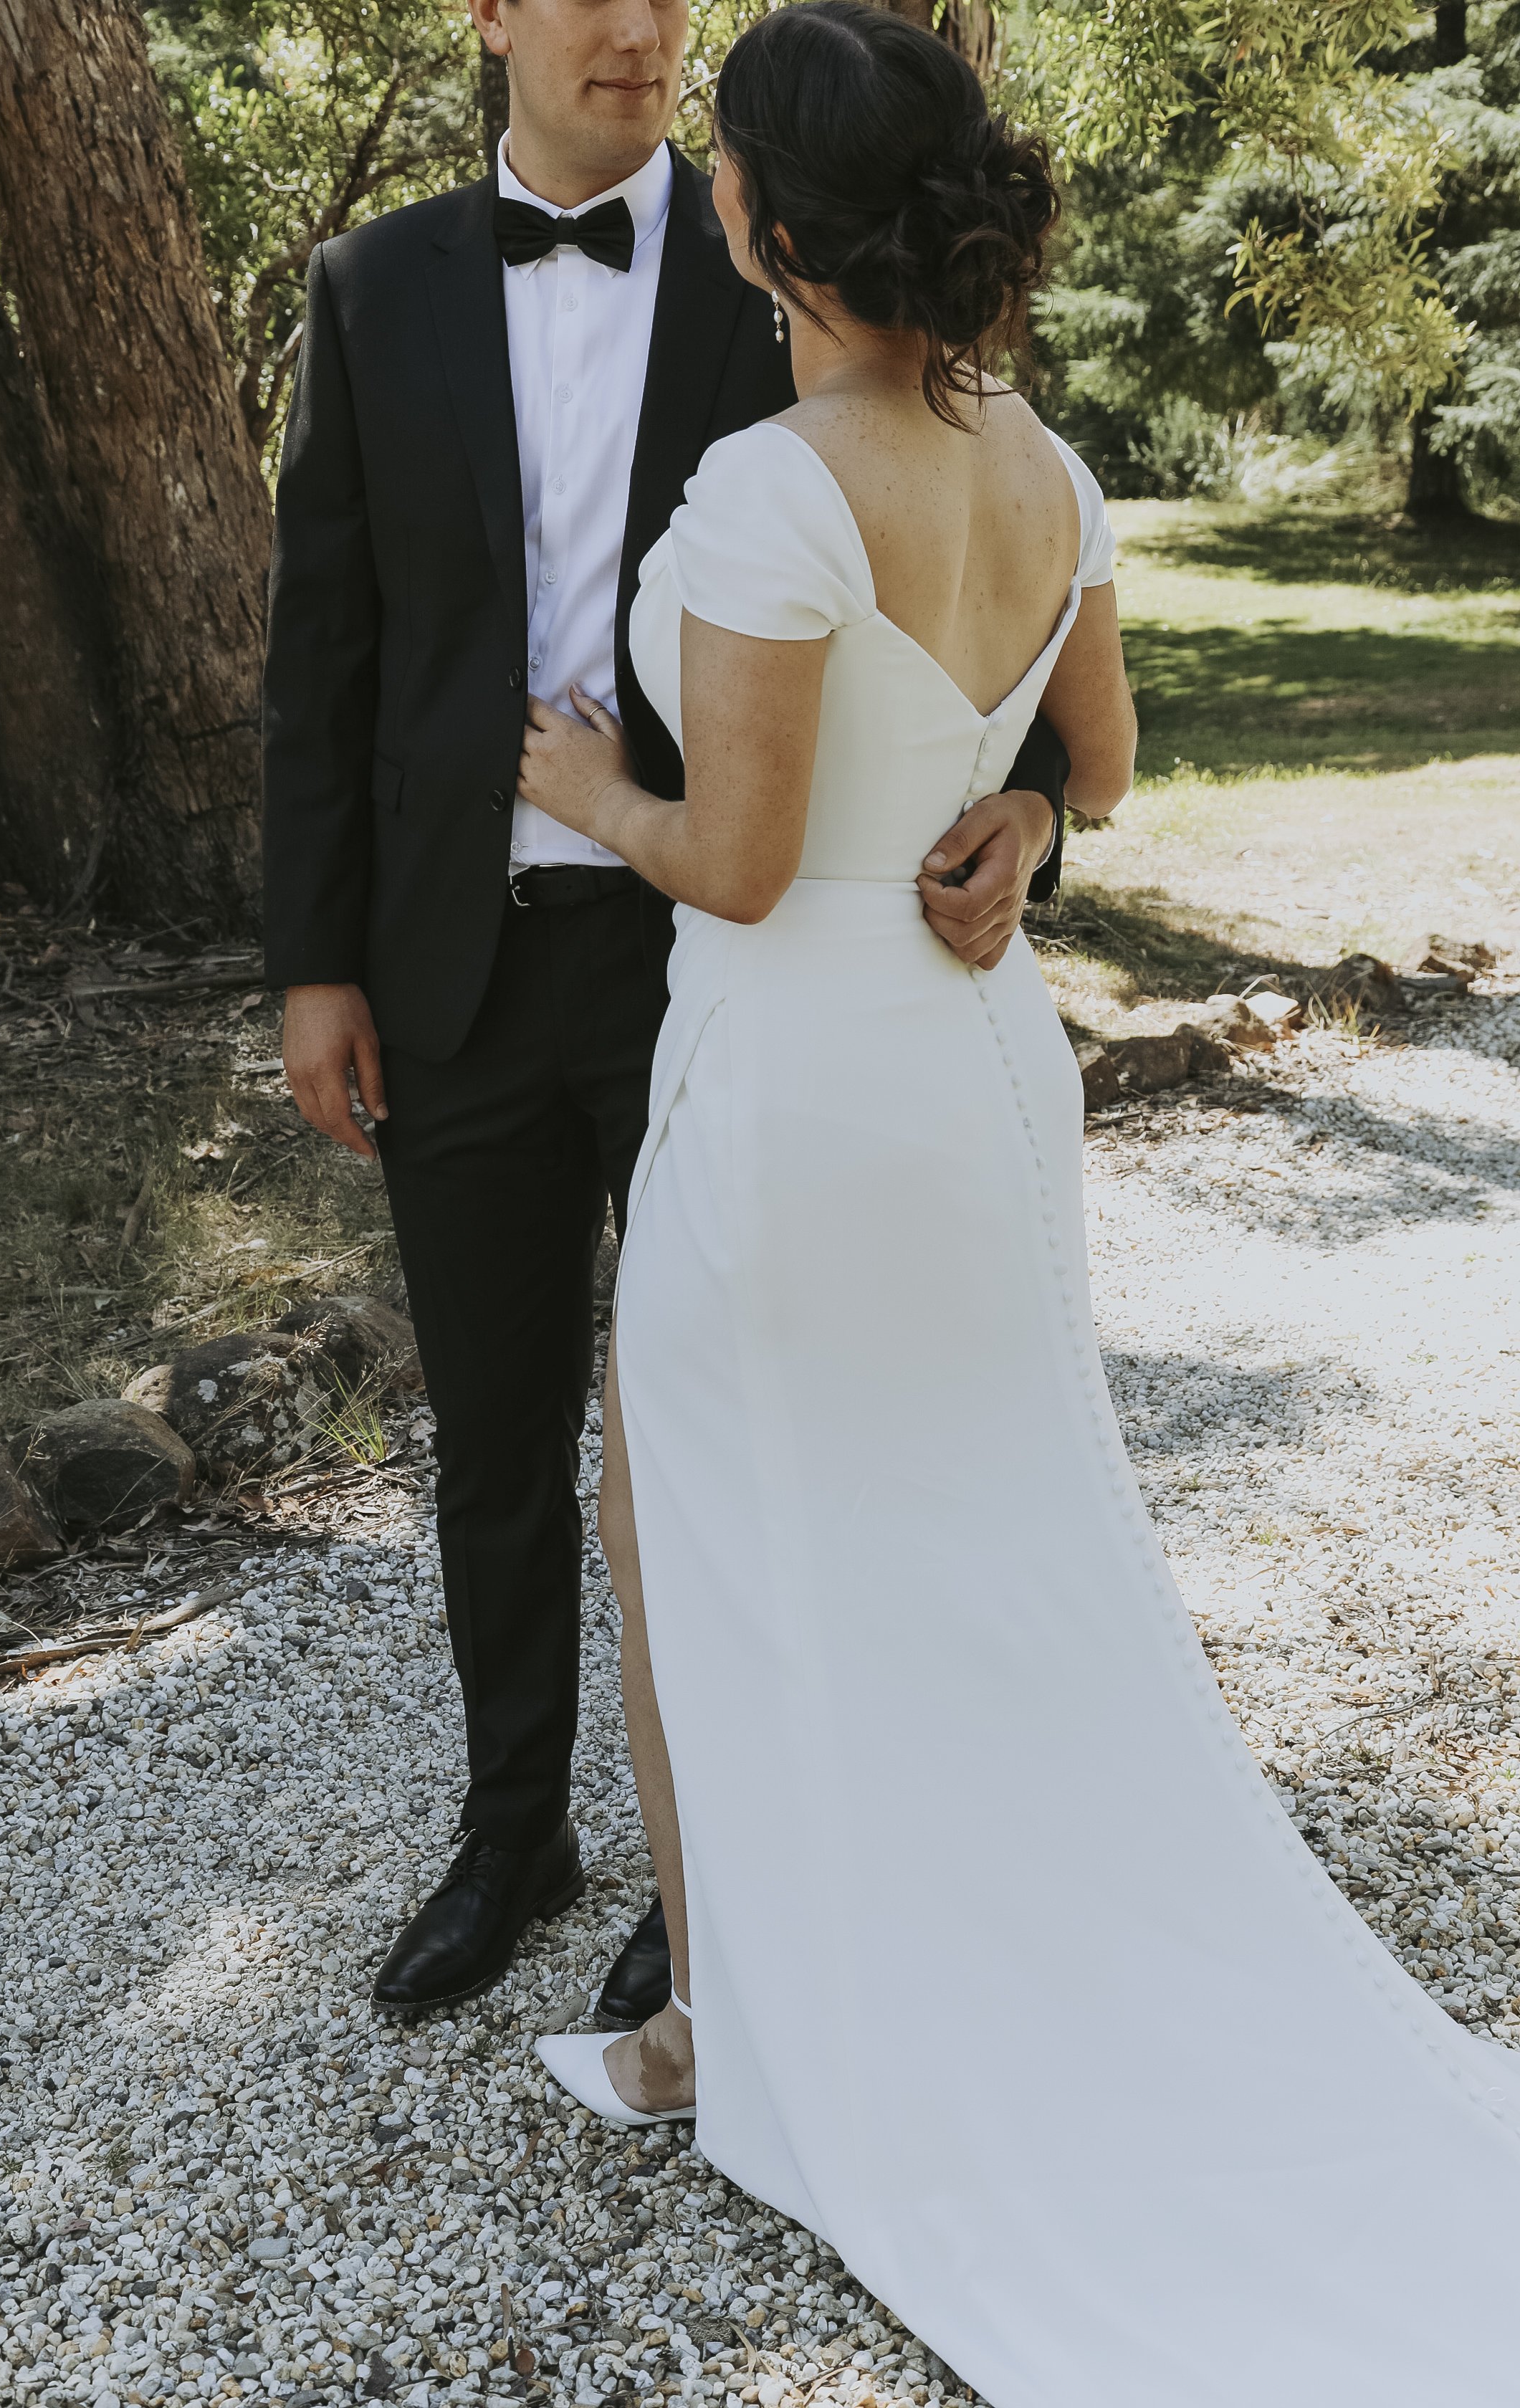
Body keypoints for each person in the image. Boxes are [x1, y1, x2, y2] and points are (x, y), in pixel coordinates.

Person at [524, 6, 1520, 2400]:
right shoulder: (1045, 468)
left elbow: (737, 860)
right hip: (972, 1075)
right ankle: (937, 1961)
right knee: (972, 1533)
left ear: (762, 217)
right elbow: (1106, 765)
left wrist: (580, 787)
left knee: (695, 1538)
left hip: (798, 1086)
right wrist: (1033, 824)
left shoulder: (773, 489)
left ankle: (727, 2032)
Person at [261, 0, 1071, 2022]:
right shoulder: (371, 287)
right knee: (496, 1431)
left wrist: (1038, 807)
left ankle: (708, 1876)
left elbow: (1001, 598)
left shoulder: (795, 261)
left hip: (716, 971)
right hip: (451, 959)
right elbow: (325, 648)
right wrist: (313, 960)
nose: (635, 27)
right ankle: (511, 1830)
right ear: (490, 15)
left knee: (730, 1449)